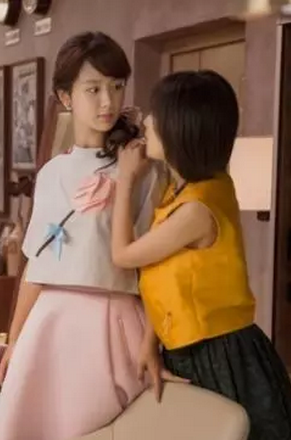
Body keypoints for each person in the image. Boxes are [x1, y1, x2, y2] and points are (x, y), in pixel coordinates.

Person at [0, 31, 169, 440]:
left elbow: (156, 266)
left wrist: (152, 339)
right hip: (50, 324)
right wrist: (15, 341)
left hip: (114, 324)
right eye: (93, 89)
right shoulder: (52, 172)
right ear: (65, 97)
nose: (108, 101)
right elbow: (36, 265)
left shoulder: (144, 169)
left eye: (116, 86)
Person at [111, 70, 291, 440]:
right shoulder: (188, 189)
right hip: (195, 350)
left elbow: (123, 255)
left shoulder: (195, 211)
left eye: (156, 116)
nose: (147, 122)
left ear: (181, 130)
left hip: (220, 356)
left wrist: (125, 180)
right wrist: (151, 342)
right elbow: (163, 279)